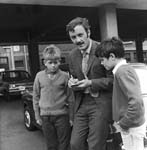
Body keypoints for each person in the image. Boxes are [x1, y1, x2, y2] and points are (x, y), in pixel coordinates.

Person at [66, 17, 113, 150]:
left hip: (99, 104)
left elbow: (112, 80)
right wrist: (72, 82)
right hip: (81, 103)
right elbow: (74, 76)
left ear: (88, 32)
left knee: (95, 145)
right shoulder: (72, 55)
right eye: (73, 37)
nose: (78, 40)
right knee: (75, 144)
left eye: (80, 35)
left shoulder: (103, 49)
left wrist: (90, 83)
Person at [95, 36, 146, 150]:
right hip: (131, 126)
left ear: (112, 56)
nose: (102, 63)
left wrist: (123, 123)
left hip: (131, 127)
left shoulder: (122, 71)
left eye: (102, 60)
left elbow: (136, 102)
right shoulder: (123, 70)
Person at [33, 44, 74, 150]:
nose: (53, 65)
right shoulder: (39, 76)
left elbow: (70, 97)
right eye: (50, 63)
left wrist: (71, 117)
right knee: (51, 145)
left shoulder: (65, 76)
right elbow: (36, 97)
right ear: (44, 63)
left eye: (56, 62)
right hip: (45, 117)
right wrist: (37, 116)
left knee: (64, 144)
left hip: (62, 116)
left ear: (60, 61)